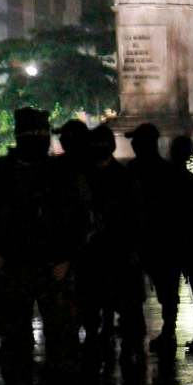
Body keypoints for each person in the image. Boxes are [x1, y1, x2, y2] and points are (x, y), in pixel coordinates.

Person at [0, 108, 89, 382]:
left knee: (61, 341)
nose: (37, 140)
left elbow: (79, 217)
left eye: (40, 135)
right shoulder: (0, 173)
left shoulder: (61, 173)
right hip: (14, 263)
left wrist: (68, 257)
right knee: (16, 343)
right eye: (32, 135)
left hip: (52, 264)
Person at [128, 125, 193, 356]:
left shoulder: (151, 173)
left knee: (171, 291)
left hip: (168, 244)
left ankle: (173, 331)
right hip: (182, 243)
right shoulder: (188, 180)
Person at [78, 122, 143, 364]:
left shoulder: (120, 177)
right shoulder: (92, 176)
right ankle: (105, 338)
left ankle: (123, 344)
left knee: (120, 303)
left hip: (116, 249)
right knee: (98, 302)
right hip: (102, 250)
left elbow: (134, 215)